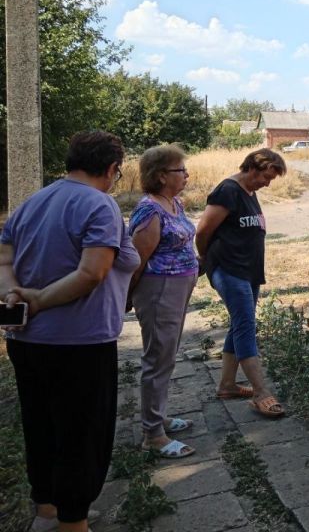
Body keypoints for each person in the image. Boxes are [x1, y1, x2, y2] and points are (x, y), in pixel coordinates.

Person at [1, 131, 139, 532]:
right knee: (82, 435)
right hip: (80, 342)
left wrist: (13, 293)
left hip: (25, 340)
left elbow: (3, 256)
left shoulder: (33, 201)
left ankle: (46, 512)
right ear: (113, 169)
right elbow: (92, 272)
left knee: (40, 426)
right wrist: (41, 298)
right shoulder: (100, 204)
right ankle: (73, 523)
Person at [195, 148, 286, 419]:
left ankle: (227, 385)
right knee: (246, 325)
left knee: (239, 323)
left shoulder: (249, 191)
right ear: (252, 169)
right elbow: (203, 231)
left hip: (249, 271)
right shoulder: (228, 190)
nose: (267, 184)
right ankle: (260, 392)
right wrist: (205, 257)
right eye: (265, 177)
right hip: (228, 268)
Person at [128, 145, 199, 459]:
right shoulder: (149, 209)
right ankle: (152, 435)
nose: (186, 175)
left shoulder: (174, 203)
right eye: (180, 170)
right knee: (157, 359)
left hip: (178, 288)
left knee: (166, 356)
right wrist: (127, 298)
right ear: (160, 176)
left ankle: (158, 416)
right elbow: (136, 261)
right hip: (159, 291)